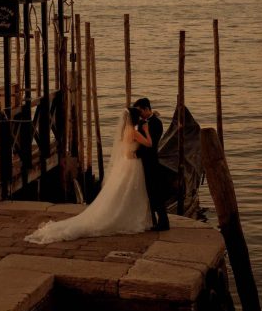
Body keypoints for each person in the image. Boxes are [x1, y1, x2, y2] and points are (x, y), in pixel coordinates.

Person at [24, 106, 152, 244]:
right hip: (132, 164)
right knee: (131, 192)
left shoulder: (125, 131)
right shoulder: (134, 132)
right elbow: (149, 144)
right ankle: (130, 217)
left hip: (125, 163)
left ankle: (125, 214)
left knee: (123, 192)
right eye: (138, 117)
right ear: (135, 118)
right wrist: (146, 131)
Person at [132, 97, 170, 231]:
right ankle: (152, 220)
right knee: (147, 192)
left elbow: (150, 146)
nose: (139, 114)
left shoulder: (156, 123)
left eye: (140, 111)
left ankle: (163, 221)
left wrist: (137, 154)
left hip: (151, 162)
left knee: (155, 191)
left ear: (147, 109)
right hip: (141, 162)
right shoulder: (141, 122)